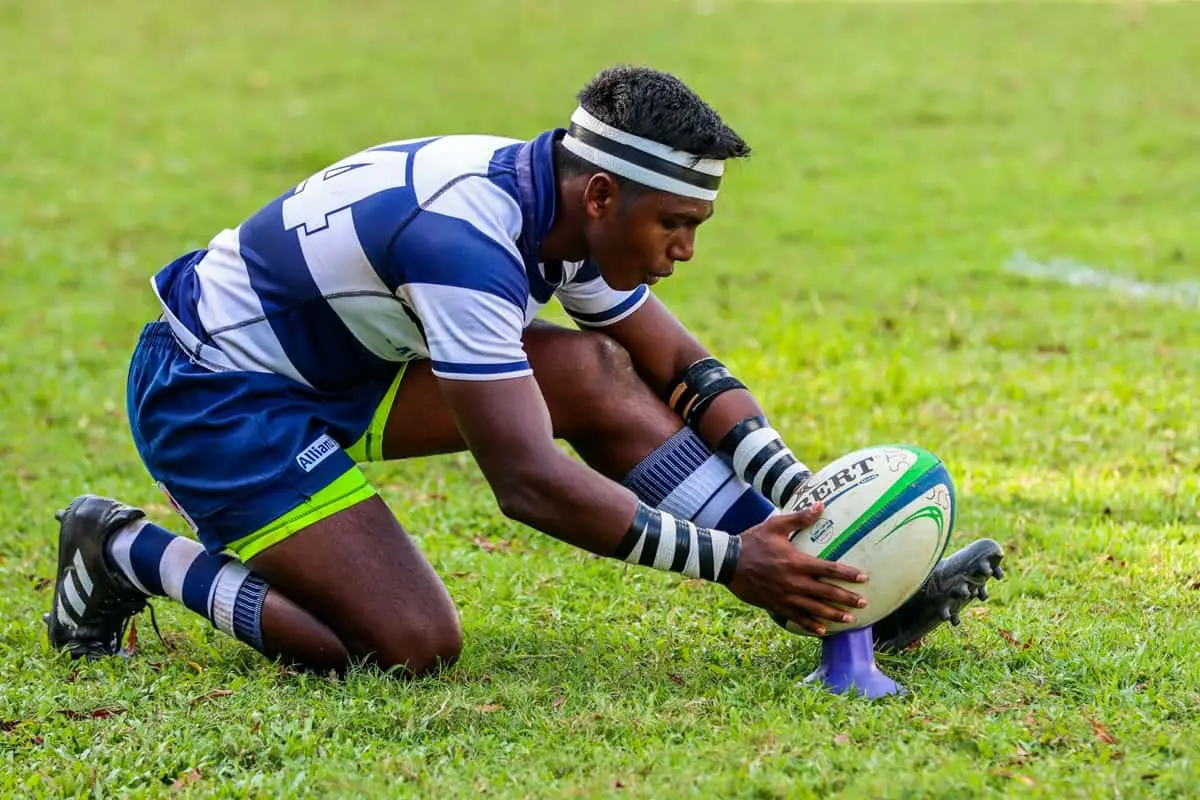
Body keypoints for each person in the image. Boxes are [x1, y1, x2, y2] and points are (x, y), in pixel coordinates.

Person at [46, 66, 1003, 675]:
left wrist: (796, 493)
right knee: (405, 648)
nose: (684, 251)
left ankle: (820, 581)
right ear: (601, 194)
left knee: (593, 369)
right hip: (217, 396)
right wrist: (727, 564)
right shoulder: (466, 243)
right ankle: (122, 548)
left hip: (342, 368)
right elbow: (528, 485)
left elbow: (676, 363)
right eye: (676, 224)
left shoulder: (557, 198)